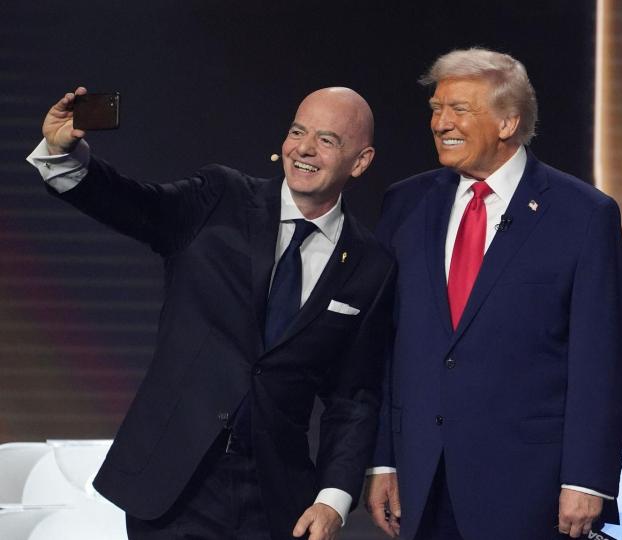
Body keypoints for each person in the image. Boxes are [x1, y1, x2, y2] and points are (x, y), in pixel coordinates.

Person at [27, 86, 396, 540]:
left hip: (276, 499)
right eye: (297, 131)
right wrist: (65, 156)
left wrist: (333, 499)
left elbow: (353, 397)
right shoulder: (221, 198)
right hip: (173, 487)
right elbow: (132, 204)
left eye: (327, 140)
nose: (303, 148)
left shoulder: (369, 265)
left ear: (360, 162)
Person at [364, 48, 622, 540]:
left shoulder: (583, 215)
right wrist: (382, 460)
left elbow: (600, 360)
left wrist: (586, 478)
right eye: (436, 109)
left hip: (529, 485)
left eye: (458, 109)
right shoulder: (406, 204)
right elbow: (386, 345)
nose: (440, 122)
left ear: (508, 122)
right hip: (421, 476)